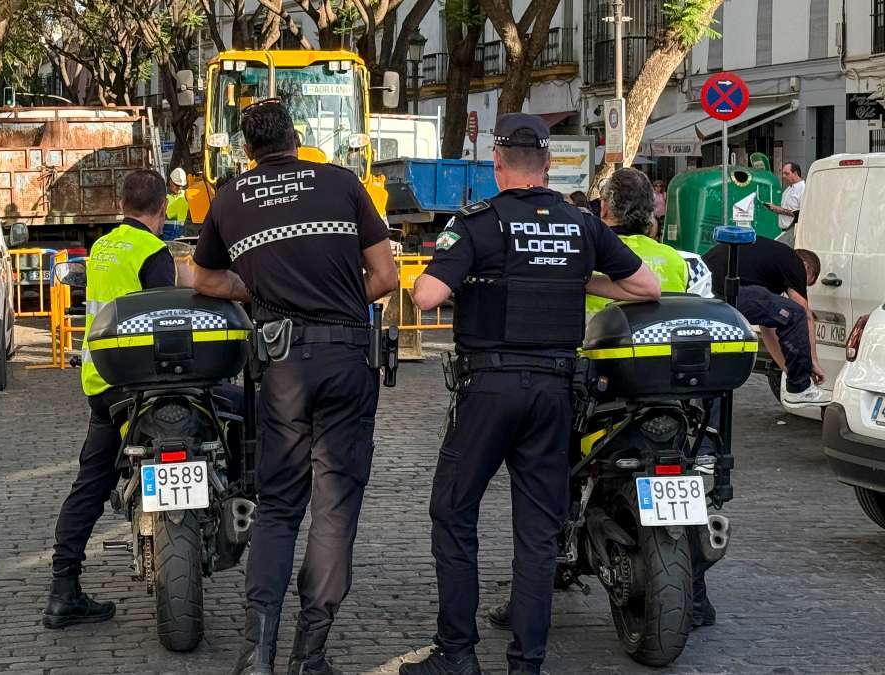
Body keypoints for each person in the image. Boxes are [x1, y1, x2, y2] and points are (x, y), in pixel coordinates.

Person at [400, 114, 661, 675]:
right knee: (538, 530)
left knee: (453, 512)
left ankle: (457, 653)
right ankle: (527, 664)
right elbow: (647, 286)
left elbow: (425, 297)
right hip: (553, 391)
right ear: (547, 167)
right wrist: (575, 277)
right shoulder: (580, 223)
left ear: (497, 166)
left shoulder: (475, 223)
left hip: (488, 389)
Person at [191, 100, 398, 675]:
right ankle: (311, 655)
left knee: (279, 507)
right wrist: (334, 301)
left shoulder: (230, 198)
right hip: (349, 359)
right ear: (296, 139)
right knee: (334, 509)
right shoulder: (343, 184)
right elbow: (384, 276)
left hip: (282, 365)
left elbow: (202, 276)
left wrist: (253, 290)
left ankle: (258, 653)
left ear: (246, 150)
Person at [43, 170, 178, 630]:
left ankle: (63, 590)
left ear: (123, 205)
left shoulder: (101, 248)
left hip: (102, 384)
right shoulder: (154, 252)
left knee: (91, 485)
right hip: (145, 386)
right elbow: (167, 316)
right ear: (161, 209)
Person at [702, 237, 827, 407]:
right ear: (806, 267)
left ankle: (708, 422)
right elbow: (804, 315)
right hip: (727, 288)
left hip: (702, 288)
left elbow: (767, 327)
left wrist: (790, 371)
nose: (800, 286)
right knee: (795, 312)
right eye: (806, 282)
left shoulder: (766, 266)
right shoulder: (794, 262)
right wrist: (812, 363)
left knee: (785, 314)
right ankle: (800, 390)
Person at [586, 168, 688, 319]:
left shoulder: (587, 255)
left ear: (604, 208)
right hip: (658, 340)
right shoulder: (675, 259)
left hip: (597, 340)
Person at [762, 161, 805, 246]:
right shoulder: (787, 190)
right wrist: (774, 209)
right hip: (785, 231)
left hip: (794, 231)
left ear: (795, 173)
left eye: (786, 173)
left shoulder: (803, 189)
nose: (783, 176)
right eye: (783, 173)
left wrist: (779, 209)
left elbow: (802, 213)